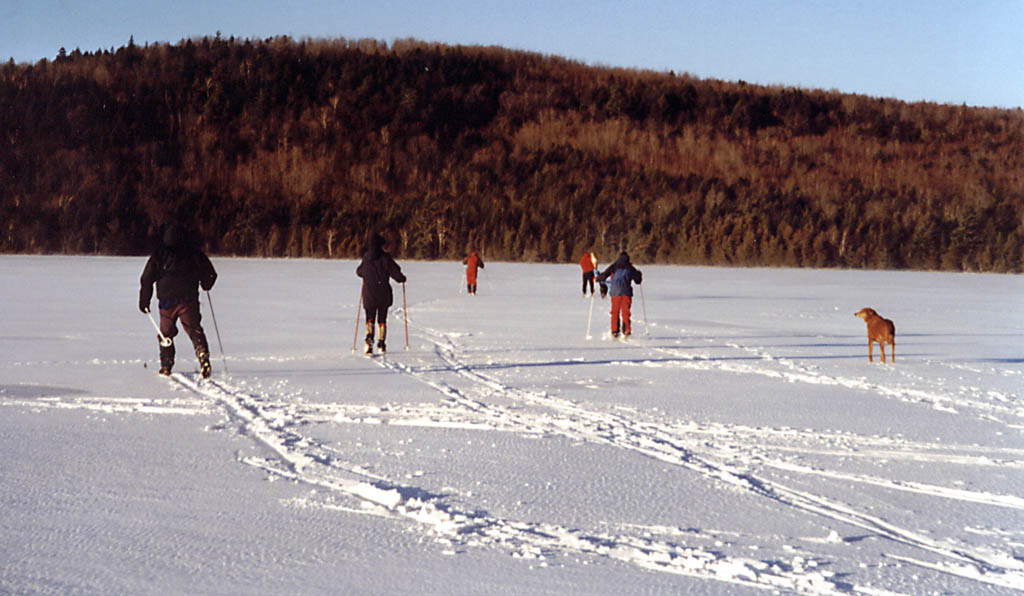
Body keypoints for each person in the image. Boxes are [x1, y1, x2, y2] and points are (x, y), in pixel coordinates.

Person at [139, 224, 218, 377]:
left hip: (167, 301)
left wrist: (144, 301)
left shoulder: (159, 254)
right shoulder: (194, 253)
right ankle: (202, 354)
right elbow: (211, 274)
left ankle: (166, 365)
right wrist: (205, 284)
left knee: (165, 334)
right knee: (194, 328)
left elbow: (146, 278)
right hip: (188, 299)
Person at [357, 233, 407, 354]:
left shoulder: (366, 257)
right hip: (383, 293)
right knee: (382, 319)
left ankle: (369, 340)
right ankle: (381, 343)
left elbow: (359, 272)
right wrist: (402, 278)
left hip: (369, 293)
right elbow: (396, 272)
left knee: (370, 318)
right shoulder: (386, 258)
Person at [596, 251, 643, 338]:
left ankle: (615, 330)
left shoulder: (614, 266)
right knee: (625, 312)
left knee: (615, 312)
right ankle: (627, 329)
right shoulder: (630, 267)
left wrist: (598, 278)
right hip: (626, 292)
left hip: (615, 293)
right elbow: (638, 281)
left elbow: (604, 275)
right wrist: (639, 275)